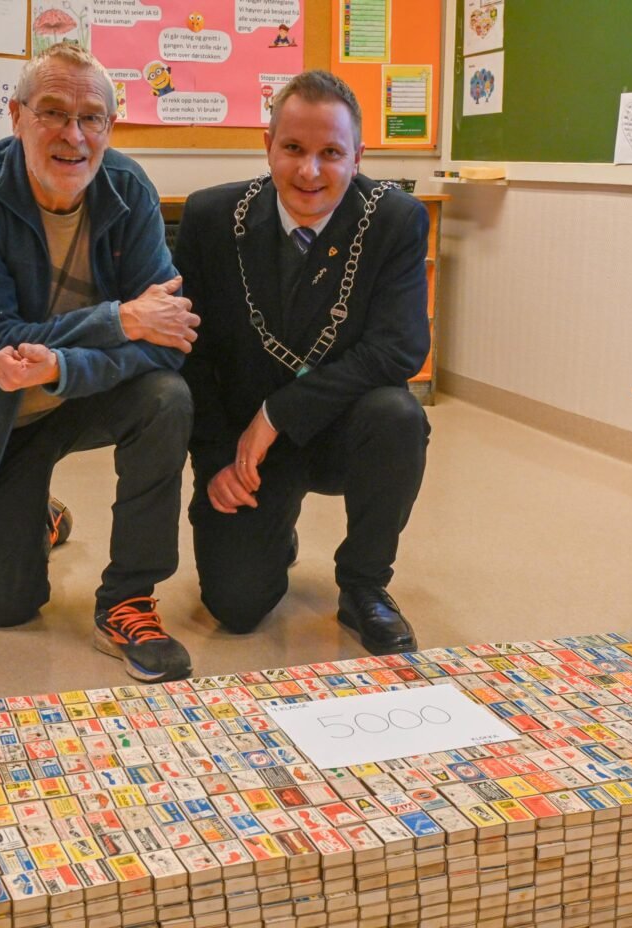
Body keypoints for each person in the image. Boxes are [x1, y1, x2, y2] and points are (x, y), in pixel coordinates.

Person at [0, 42, 199, 682]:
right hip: (5, 418)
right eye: (52, 112)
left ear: (110, 126)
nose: (72, 135)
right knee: (10, 607)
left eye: (91, 118)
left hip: (81, 394)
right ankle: (41, 516)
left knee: (167, 398)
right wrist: (118, 319)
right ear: (16, 116)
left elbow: (167, 339)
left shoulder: (130, 191)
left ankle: (129, 600)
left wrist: (61, 365)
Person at [173, 70, 430, 655]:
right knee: (235, 608)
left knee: (399, 415)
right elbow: (193, 355)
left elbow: (399, 349)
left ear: (358, 156)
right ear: (267, 146)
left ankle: (364, 586)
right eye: (292, 148)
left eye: (331, 153)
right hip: (244, 446)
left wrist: (278, 413)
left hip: (343, 431)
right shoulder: (212, 218)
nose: (310, 172)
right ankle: (273, 535)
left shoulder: (395, 219)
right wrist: (215, 461)